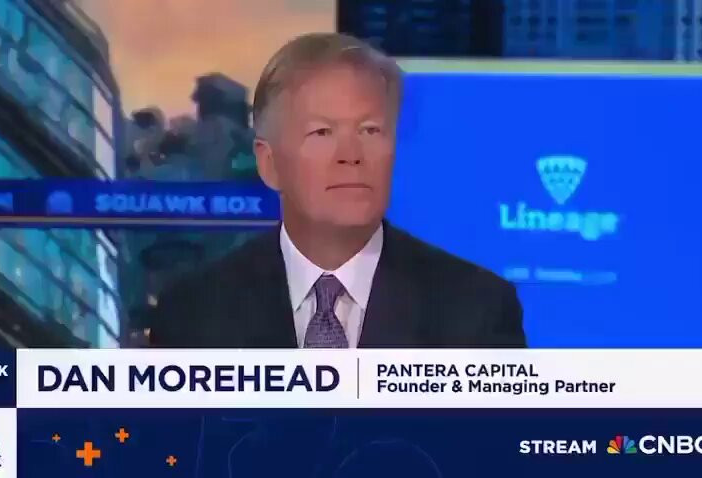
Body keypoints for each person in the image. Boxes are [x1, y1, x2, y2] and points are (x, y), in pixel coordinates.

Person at [150, 32, 525, 348]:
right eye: (322, 132)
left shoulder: (477, 310)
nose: (351, 155)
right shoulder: (193, 313)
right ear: (269, 163)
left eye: (370, 130)